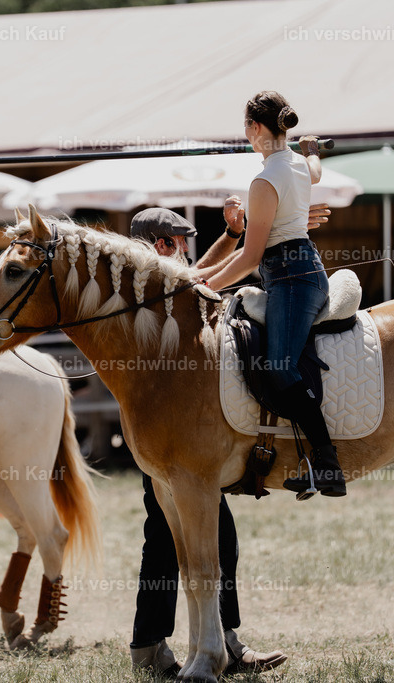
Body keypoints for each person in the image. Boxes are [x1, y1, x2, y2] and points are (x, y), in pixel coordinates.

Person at [128, 207, 290, 677]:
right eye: (178, 240)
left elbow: (198, 274)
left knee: (180, 541)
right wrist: (238, 240)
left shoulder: (148, 285)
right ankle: (182, 644)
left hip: (169, 434)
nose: (183, 248)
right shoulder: (149, 289)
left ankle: (175, 644)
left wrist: (232, 236)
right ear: (160, 246)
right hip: (170, 434)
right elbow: (200, 280)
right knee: (183, 542)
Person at [205, 91, 345, 497]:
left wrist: (208, 285)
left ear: (254, 128)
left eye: (246, 128)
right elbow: (315, 169)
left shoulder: (264, 181)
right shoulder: (300, 163)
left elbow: (250, 256)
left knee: (280, 366)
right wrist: (313, 149)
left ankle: (327, 460)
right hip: (301, 271)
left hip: (290, 278)